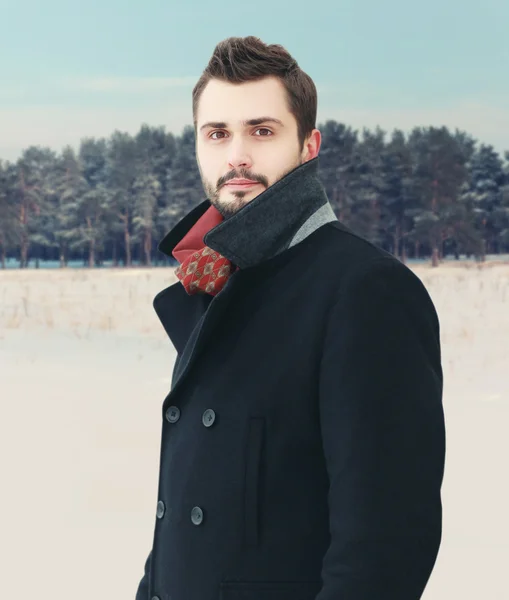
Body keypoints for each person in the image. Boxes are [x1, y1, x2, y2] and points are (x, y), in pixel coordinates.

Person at [135, 36, 446, 600]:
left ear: (308, 145)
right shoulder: (218, 278)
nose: (237, 155)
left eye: (262, 130)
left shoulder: (366, 291)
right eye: (217, 133)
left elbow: (385, 545)